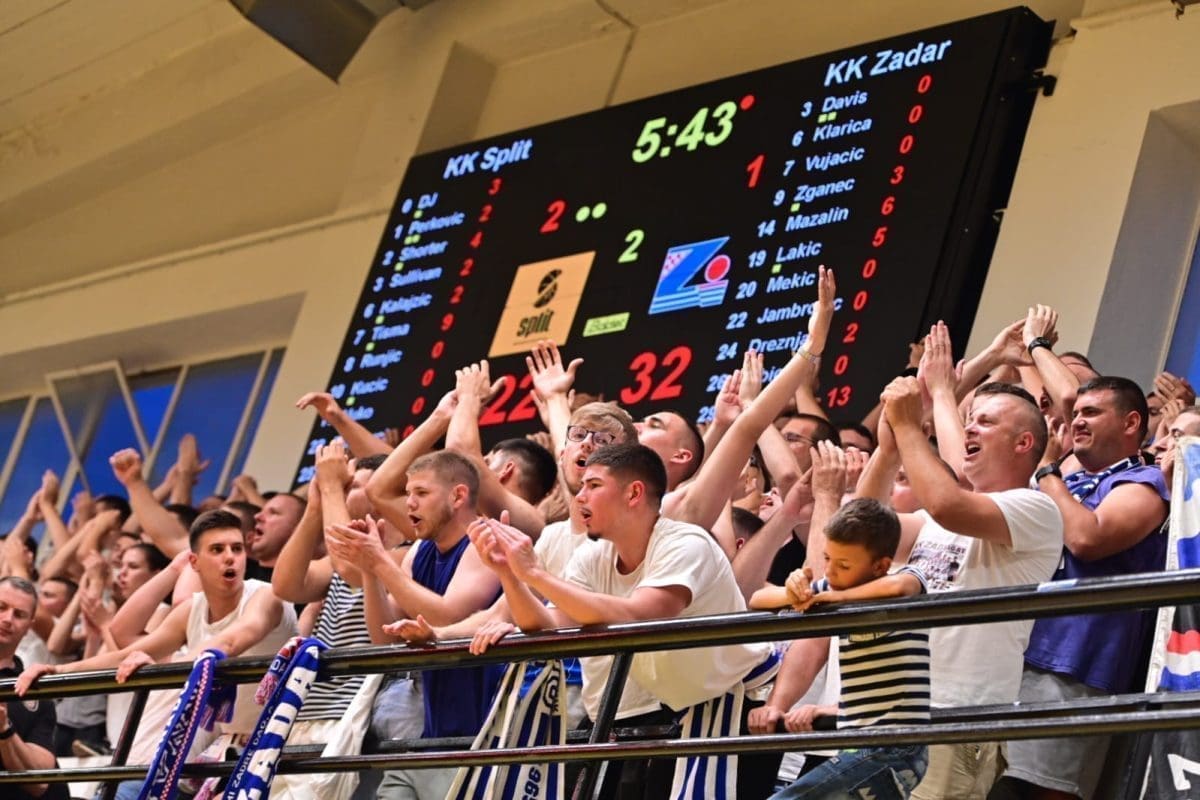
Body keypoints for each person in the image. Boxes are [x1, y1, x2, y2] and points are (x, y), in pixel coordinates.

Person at [471, 443, 779, 800]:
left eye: (593, 485)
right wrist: (509, 575)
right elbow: (548, 626)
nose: (579, 497)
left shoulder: (686, 543)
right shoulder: (592, 556)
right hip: (681, 705)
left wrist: (536, 574)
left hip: (743, 702)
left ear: (633, 493)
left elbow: (642, 616)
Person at [16, 511, 297, 800]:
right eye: (217, 549)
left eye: (236, 549)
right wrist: (58, 671)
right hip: (232, 749)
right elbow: (127, 652)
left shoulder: (265, 595)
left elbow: (234, 639)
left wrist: (163, 667)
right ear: (194, 563)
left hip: (284, 740)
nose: (230, 557)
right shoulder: (192, 609)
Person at [998, 376, 1169, 800]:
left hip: (1072, 663)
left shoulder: (1145, 482)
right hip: (1011, 651)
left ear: (1132, 423)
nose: (1076, 421)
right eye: (1074, 414)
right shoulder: (1066, 481)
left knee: (1037, 791)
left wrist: (1047, 471)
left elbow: (1087, 539)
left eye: (1091, 412)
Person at [329, 450, 502, 800]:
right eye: (408, 493)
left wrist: (381, 562)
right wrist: (370, 571)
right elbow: (384, 637)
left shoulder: (486, 540)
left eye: (421, 493)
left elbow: (448, 616)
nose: (409, 503)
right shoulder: (420, 550)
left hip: (482, 740)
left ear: (458, 495)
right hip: (429, 738)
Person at [753, 499, 929, 800]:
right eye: (827, 558)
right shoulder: (834, 587)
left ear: (880, 566)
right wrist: (792, 591)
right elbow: (757, 599)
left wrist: (835, 599)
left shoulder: (902, 581)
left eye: (844, 565)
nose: (831, 572)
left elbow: (902, 587)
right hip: (860, 739)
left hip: (896, 743)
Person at [0, 575, 68, 800]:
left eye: (19, 614)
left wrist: (4, 730)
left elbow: (39, 784)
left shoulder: (35, 690)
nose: (7, 619)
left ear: (29, 626)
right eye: (1, 607)